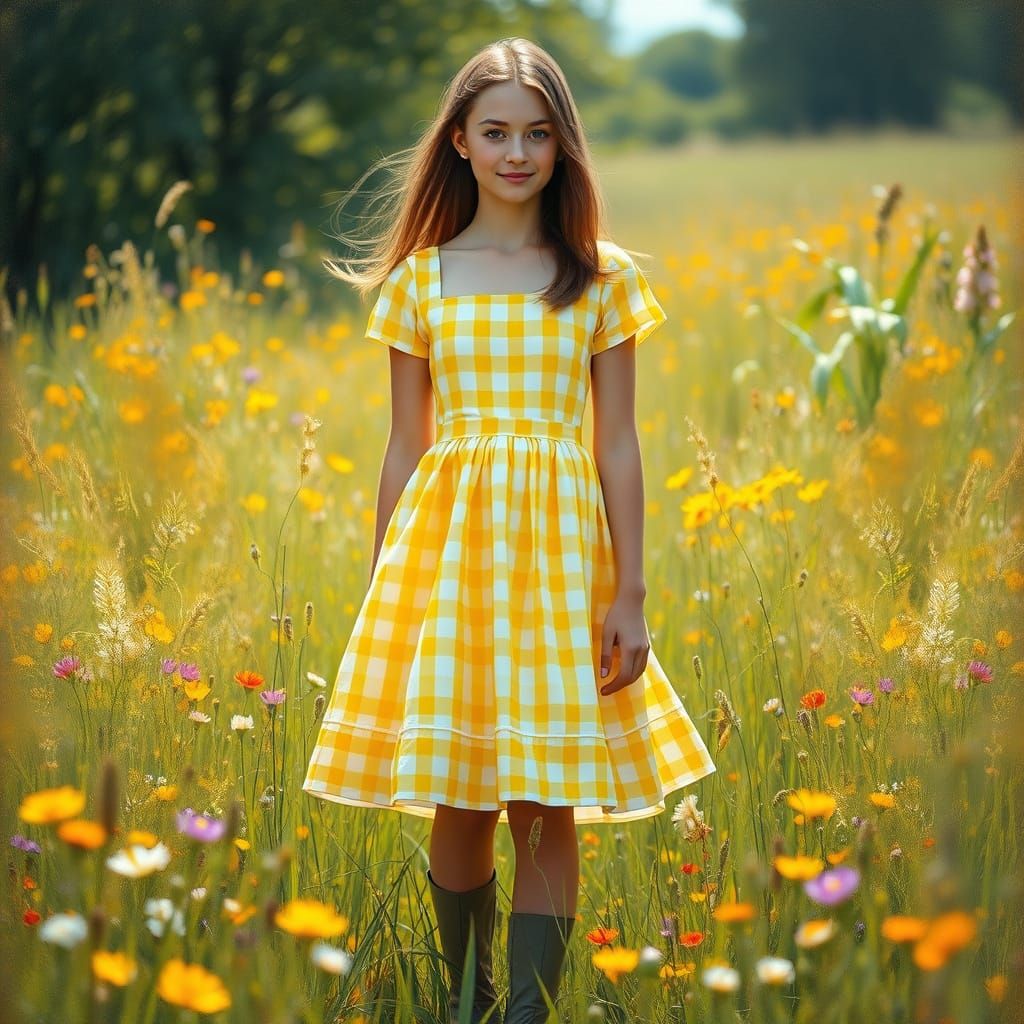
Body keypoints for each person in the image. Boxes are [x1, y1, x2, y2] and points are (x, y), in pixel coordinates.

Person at [303, 36, 716, 1024]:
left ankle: (526, 1013)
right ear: (459, 142)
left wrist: (630, 591)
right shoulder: (421, 279)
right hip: (446, 561)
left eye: (537, 133)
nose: (517, 152)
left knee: (544, 796)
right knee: (460, 791)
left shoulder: (598, 277)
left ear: (562, 147)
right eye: (495, 132)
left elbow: (617, 442)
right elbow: (406, 445)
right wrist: (380, 582)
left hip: (563, 559)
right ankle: (465, 1000)